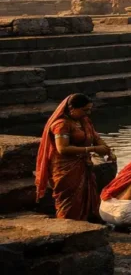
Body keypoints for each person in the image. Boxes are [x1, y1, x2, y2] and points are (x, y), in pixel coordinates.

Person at [35, 94, 116, 222]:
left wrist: (106, 149)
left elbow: (95, 138)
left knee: (88, 197)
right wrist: (93, 149)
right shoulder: (61, 124)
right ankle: (68, 226)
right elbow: (62, 149)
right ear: (72, 108)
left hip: (84, 165)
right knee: (69, 201)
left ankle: (88, 224)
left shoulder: (84, 121)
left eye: (89, 109)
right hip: (65, 168)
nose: (88, 113)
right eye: (84, 110)